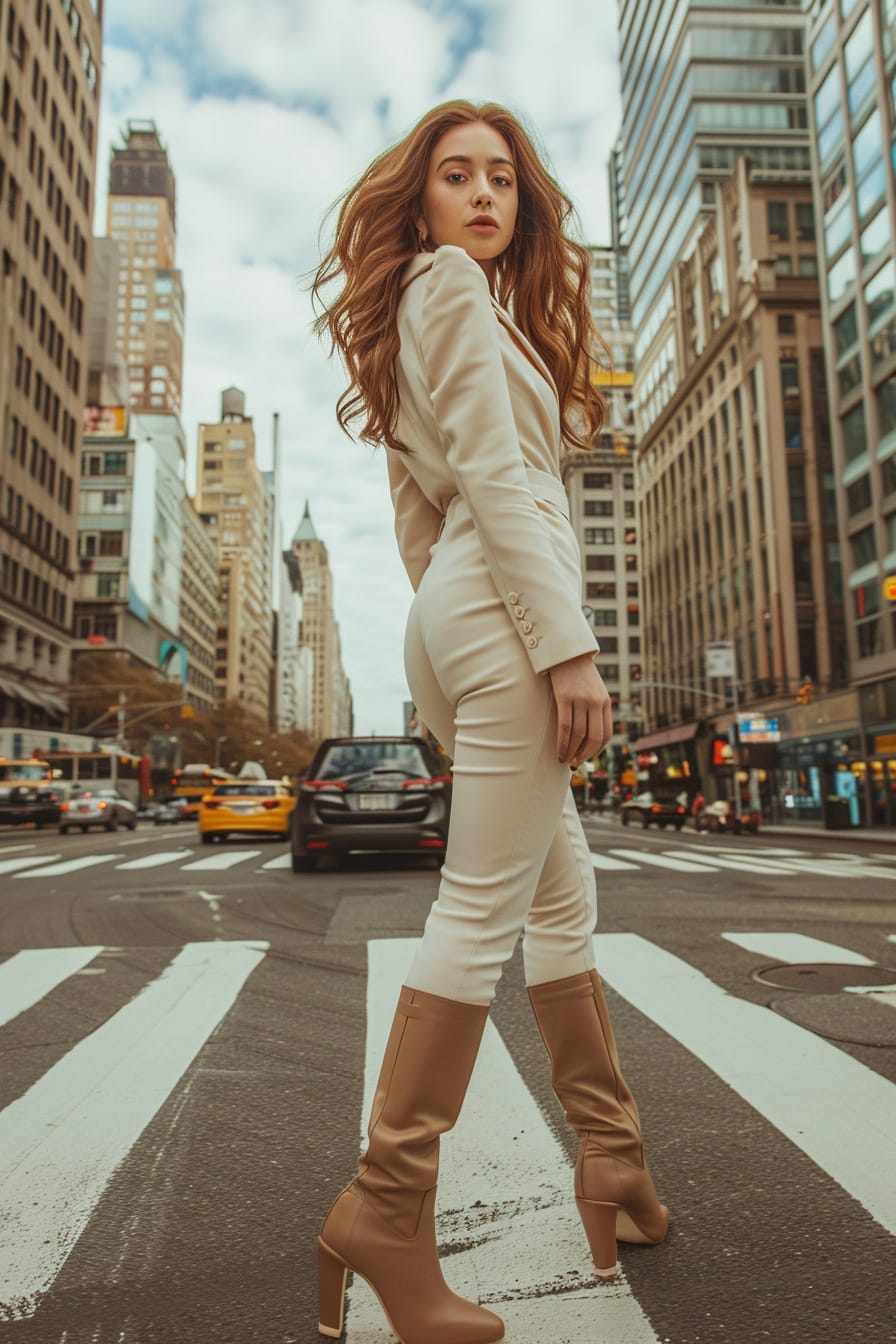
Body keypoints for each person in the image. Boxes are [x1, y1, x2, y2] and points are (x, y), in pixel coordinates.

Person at [312, 100, 668, 1344]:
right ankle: (382, 1209)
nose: (479, 194)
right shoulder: (450, 290)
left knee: (558, 899)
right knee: (477, 908)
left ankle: (611, 1161)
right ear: (417, 200)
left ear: (522, 201)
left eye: (500, 178)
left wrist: (447, 635)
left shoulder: (454, 309)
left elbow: (420, 512)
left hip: (462, 603)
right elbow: (504, 483)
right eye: (453, 174)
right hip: (509, 613)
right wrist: (559, 649)